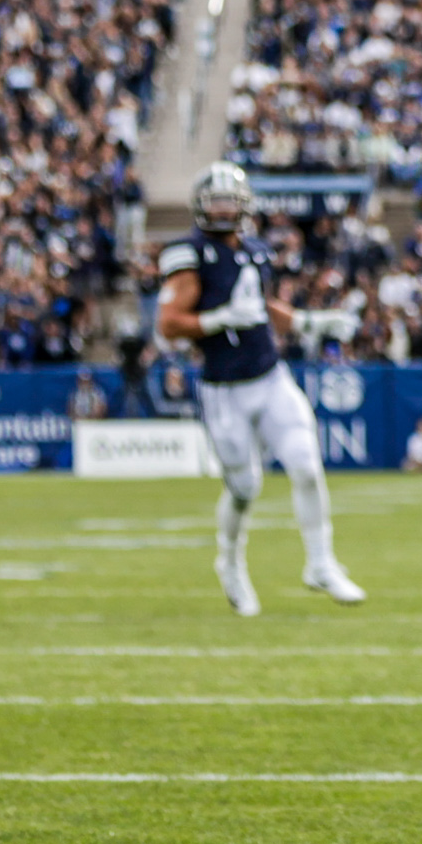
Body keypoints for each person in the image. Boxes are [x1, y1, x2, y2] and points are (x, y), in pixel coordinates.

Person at [155, 163, 365, 617]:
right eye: (215, 200)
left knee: (307, 465)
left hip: (270, 376)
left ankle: (321, 562)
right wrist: (213, 321)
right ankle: (229, 561)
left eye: (230, 199)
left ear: (245, 203)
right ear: (200, 206)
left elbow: (260, 306)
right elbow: (168, 324)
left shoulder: (254, 250)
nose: (224, 208)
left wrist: (310, 321)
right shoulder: (189, 254)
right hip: (224, 389)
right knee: (245, 487)